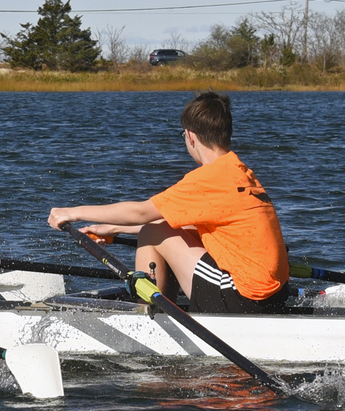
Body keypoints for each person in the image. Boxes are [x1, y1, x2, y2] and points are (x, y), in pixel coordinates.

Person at [47, 91, 291, 314]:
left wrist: (70, 213)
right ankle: (163, 303)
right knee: (173, 227)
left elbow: (142, 212)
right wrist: (113, 229)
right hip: (275, 295)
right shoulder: (242, 173)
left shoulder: (210, 178)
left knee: (153, 231)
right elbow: (187, 225)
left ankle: (149, 315)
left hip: (241, 297)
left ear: (191, 137)